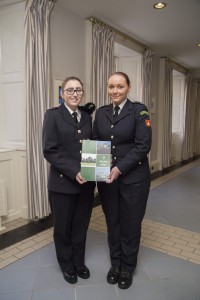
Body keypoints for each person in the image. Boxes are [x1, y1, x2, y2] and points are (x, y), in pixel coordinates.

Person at [93, 72, 152, 289]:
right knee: (113, 222)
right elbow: (97, 142)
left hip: (134, 178)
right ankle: (115, 264)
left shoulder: (138, 110)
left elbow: (142, 146)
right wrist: (97, 166)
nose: (115, 91)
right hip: (108, 179)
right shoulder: (101, 113)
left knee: (130, 223)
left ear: (128, 87)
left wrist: (119, 168)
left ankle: (127, 266)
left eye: (120, 86)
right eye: (111, 87)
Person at [42, 76, 95, 284]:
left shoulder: (86, 117)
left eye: (78, 90)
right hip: (63, 183)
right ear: (62, 93)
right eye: (70, 90)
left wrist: (99, 163)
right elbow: (50, 150)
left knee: (80, 226)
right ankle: (66, 265)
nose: (75, 93)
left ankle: (78, 262)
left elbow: (89, 146)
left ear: (82, 93)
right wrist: (74, 171)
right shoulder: (53, 115)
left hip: (86, 183)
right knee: (63, 228)